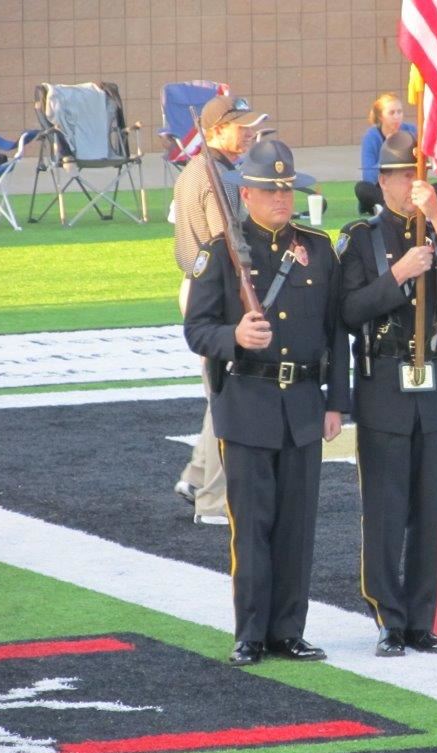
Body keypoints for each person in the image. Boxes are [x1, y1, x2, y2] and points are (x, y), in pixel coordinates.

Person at [184, 140, 350, 666]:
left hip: (302, 401)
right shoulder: (221, 253)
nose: (281, 199)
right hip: (249, 401)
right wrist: (235, 335)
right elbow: (197, 330)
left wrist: (335, 403)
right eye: (269, 191)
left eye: (286, 189)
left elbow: (336, 332)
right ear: (246, 194)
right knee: (252, 526)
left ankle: (288, 631)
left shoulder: (318, 249)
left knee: (296, 526)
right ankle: (251, 632)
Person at [338, 131, 437, 657]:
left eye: (421, 177)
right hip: (385, 385)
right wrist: (398, 274)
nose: (413, 185)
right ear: (383, 182)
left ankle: (421, 619)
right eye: (402, 175)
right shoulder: (360, 239)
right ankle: (387, 618)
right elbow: (349, 312)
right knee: (385, 508)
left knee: (428, 506)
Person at [172, 94, 266, 525]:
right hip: (218, 289)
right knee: (227, 395)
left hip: (196, 282)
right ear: (214, 130)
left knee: (218, 393)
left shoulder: (197, 169)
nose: (247, 132)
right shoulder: (220, 177)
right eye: (239, 125)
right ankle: (211, 499)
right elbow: (229, 243)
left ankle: (195, 477)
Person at [354, 92, 437, 215]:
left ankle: (389, 208)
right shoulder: (371, 136)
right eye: (391, 113)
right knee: (362, 188)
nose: (396, 117)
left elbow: (424, 163)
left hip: (408, 186)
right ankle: (389, 207)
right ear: (380, 117)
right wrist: (388, 149)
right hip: (383, 188)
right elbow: (369, 176)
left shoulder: (411, 130)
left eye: (399, 112)